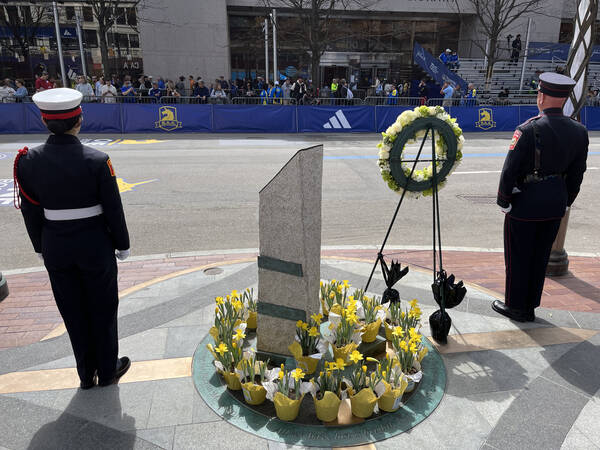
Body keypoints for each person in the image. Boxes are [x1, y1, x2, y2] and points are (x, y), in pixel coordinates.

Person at [13, 88, 131, 388]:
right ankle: (107, 370)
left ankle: (85, 374)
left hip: (56, 245)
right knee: (103, 308)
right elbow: (113, 208)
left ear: (44, 121)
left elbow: (30, 209)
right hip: (94, 243)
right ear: (79, 121)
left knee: (73, 311)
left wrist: (39, 246)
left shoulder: (28, 161)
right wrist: (122, 244)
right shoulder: (97, 159)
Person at [493, 73, 588, 322]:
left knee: (518, 257)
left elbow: (509, 170)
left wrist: (504, 200)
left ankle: (515, 306)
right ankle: (531, 306)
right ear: (565, 98)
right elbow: (577, 173)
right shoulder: (579, 131)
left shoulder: (528, 129)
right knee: (540, 257)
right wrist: (566, 200)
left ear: (542, 96)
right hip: (555, 203)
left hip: (526, 204)